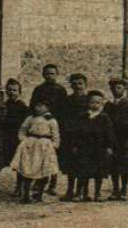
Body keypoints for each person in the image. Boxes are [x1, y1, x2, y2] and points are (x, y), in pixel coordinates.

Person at [28, 64, 69, 195]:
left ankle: (53, 183)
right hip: (41, 125)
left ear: (57, 75)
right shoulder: (38, 89)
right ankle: (40, 180)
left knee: (54, 156)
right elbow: (33, 106)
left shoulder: (61, 90)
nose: (50, 76)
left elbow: (64, 108)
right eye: (47, 73)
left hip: (56, 124)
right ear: (43, 75)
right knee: (41, 154)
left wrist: (55, 118)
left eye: (52, 73)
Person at [10, 99, 61, 204]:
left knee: (44, 170)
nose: (37, 108)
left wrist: (53, 146)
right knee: (28, 168)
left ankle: (39, 194)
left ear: (48, 107)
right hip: (31, 145)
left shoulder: (51, 120)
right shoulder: (30, 118)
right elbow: (23, 129)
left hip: (45, 146)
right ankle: (26, 194)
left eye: (41, 106)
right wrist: (23, 140)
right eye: (36, 106)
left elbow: (55, 135)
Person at [71, 90, 116, 202]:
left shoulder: (104, 117)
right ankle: (81, 193)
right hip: (84, 148)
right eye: (92, 102)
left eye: (97, 102)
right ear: (88, 103)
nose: (94, 104)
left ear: (101, 104)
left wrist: (109, 146)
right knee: (83, 171)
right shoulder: (82, 116)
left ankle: (97, 193)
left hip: (99, 149)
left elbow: (109, 133)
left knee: (98, 172)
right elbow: (76, 132)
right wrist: (75, 145)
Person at [104, 77, 128, 200]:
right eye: (113, 88)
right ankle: (115, 189)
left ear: (124, 89)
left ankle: (124, 190)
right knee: (113, 165)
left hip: (124, 139)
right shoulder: (108, 105)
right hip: (112, 139)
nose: (116, 90)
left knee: (124, 164)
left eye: (119, 88)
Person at [57, 72, 91, 201]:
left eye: (80, 83)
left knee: (83, 164)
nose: (77, 86)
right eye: (74, 84)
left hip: (85, 136)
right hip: (70, 136)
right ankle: (70, 190)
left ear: (85, 85)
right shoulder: (67, 100)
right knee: (70, 164)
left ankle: (80, 191)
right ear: (71, 85)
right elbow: (63, 117)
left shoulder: (88, 100)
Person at [0, 79, 30, 197]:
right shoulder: (4, 105)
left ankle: (19, 186)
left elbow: (24, 123)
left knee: (20, 163)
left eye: (15, 90)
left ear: (19, 92)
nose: (12, 92)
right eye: (9, 90)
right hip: (5, 136)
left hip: (16, 137)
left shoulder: (23, 107)